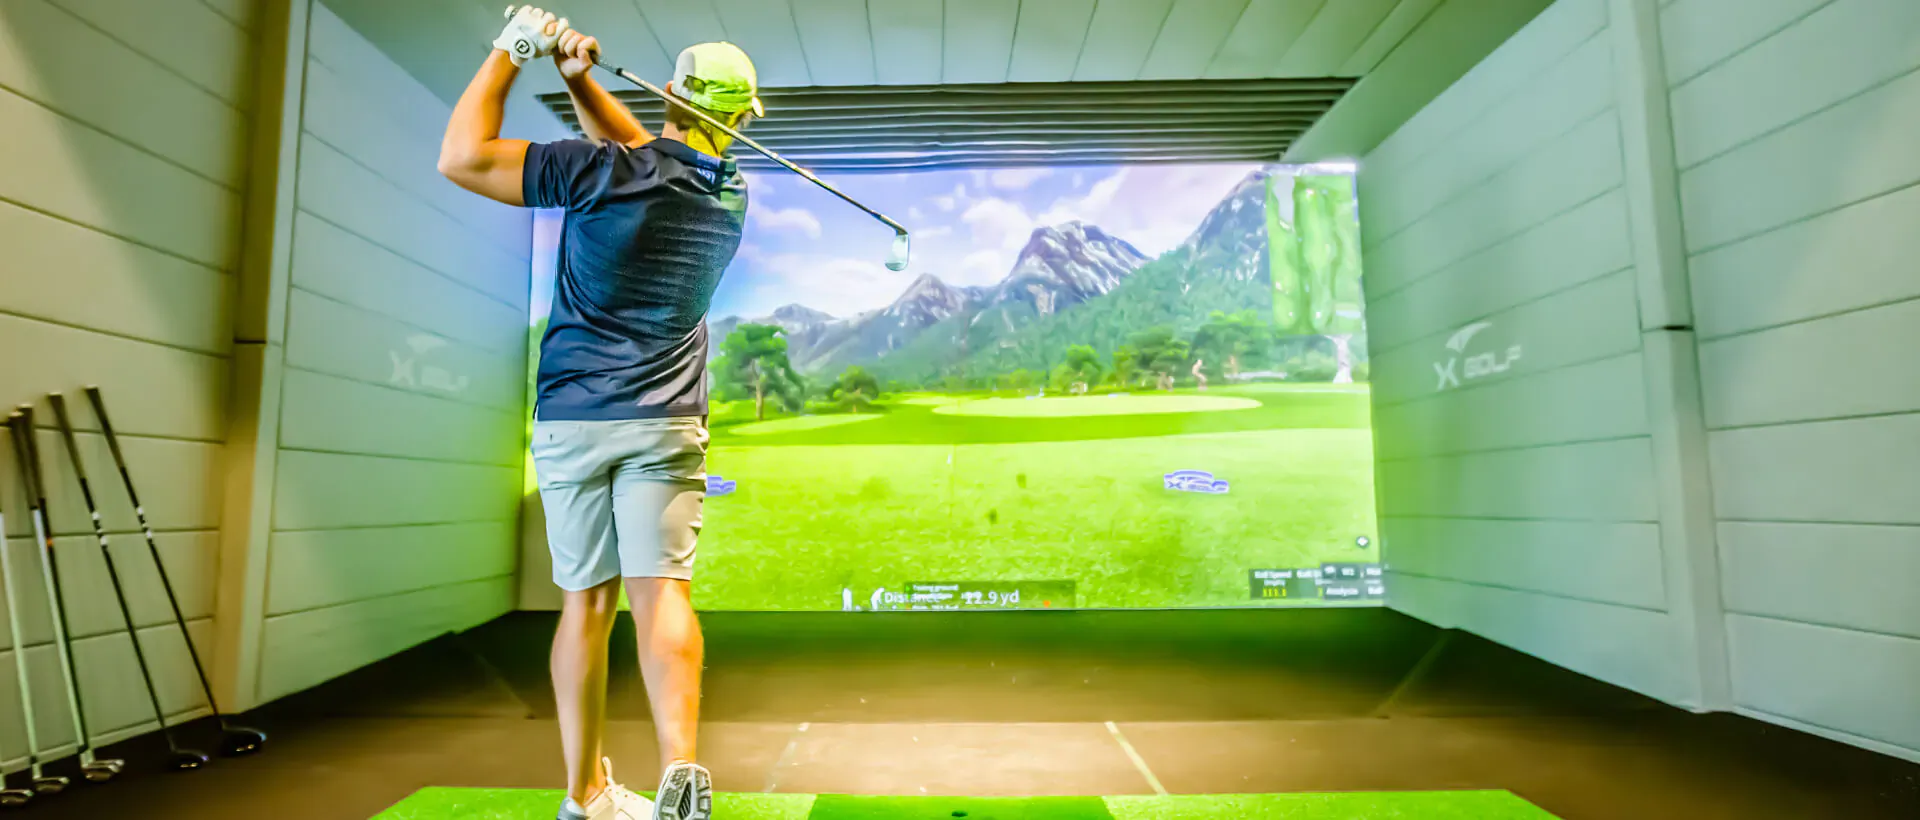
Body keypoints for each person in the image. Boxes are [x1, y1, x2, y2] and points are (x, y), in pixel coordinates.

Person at [438, 7, 763, 820]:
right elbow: (652, 156)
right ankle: (679, 765)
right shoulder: (730, 194)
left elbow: (462, 157)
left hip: (574, 418)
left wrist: (515, 49)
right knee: (664, 593)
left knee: (586, 606)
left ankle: (584, 795)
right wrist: (579, 80)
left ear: (671, 95)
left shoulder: (594, 172)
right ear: (739, 118)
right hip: (666, 422)